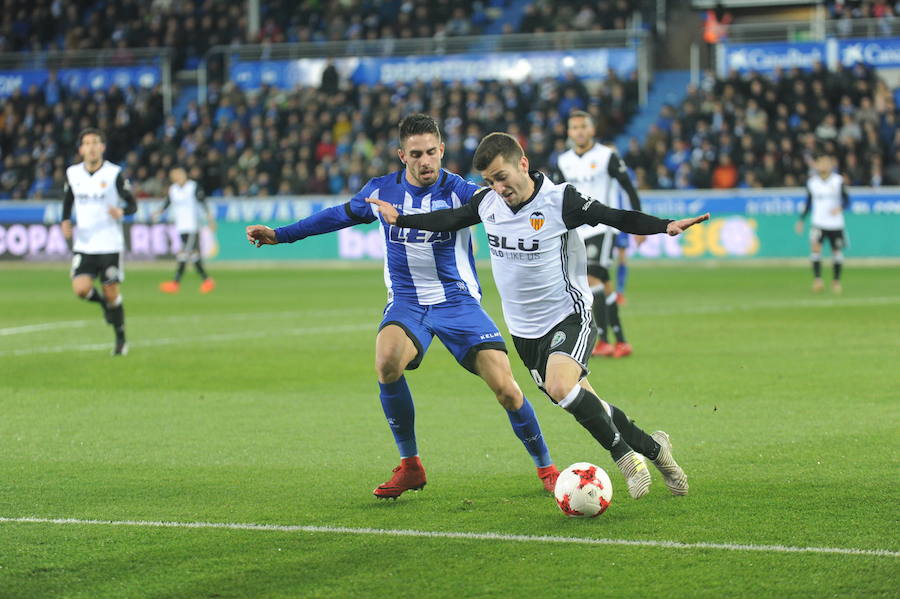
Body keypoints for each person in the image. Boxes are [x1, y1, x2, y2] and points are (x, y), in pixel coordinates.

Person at [369, 132, 708, 499]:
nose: (498, 187)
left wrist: (664, 225)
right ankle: (658, 451)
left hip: (568, 313)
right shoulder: (487, 204)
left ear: (523, 165)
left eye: (502, 177)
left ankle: (625, 458)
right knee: (586, 402)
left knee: (561, 387)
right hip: (525, 332)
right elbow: (449, 219)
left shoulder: (561, 200)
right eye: (489, 181)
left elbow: (613, 216)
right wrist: (401, 219)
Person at [245, 114, 560, 499]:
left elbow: (511, 205)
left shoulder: (463, 191)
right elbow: (337, 216)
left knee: (507, 391)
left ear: (442, 150)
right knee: (386, 361)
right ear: (401, 156)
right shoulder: (382, 191)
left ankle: (547, 468)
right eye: (416, 154)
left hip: (457, 301)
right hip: (407, 302)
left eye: (431, 152)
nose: (425, 161)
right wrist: (282, 235)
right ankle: (410, 465)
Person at [556, 112, 642, 359]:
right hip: (576, 232)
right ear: (569, 132)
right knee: (602, 284)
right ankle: (621, 341)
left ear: (592, 130)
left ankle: (602, 340)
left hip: (602, 228)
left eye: (584, 126)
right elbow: (557, 197)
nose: (579, 131)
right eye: (574, 127)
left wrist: (637, 223)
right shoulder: (563, 161)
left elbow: (629, 187)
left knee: (592, 277)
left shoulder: (607, 157)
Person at [61, 128, 136, 356]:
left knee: (112, 292)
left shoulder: (114, 174)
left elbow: (133, 204)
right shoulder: (73, 173)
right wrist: (65, 220)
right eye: (86, 143)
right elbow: (68, 199)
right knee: (81, 289)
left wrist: (121, 211)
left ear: (102, 147)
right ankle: (103, 305)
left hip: (109, 244)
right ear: (81, 149)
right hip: (84, 244)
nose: (91, 147)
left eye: (95, 142)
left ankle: (121, 338)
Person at [154, 166, 216, 294]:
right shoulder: (173, 189)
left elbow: (203, 203)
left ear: (184, 175)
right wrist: (158, 212)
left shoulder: (193, 187)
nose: (176, 177)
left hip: (192, 226)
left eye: (178, 175)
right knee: (193, 255)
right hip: (181, 227)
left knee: (183, 254)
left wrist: (210, 220)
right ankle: (207, 280)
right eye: (174, 176)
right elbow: (167, 203)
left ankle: (175, 283)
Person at [795, 150, 849, 293]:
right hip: (818, 223)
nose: (824, 165)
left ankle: (836, 281)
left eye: (827, 162)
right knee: (815, 249)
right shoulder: (812, 182)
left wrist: (840, 208)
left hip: (835, 224)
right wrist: (801, 220)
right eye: (821, 162)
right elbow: (808, 203)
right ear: (817, 165)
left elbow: (847, 200)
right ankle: (817, 280)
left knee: (836, 252)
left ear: (831, 165)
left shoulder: (838, 181)